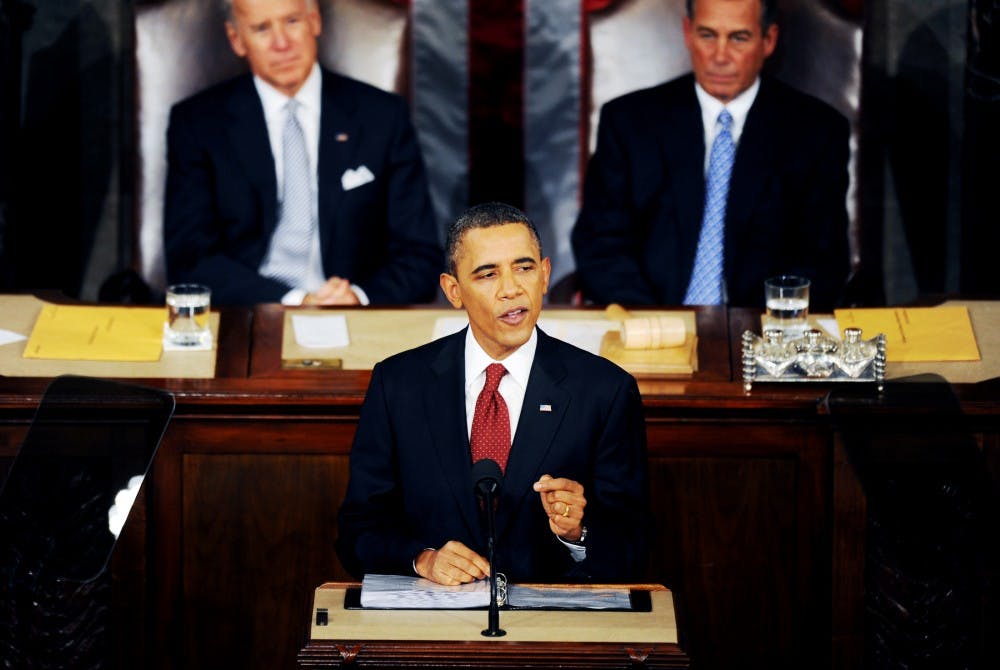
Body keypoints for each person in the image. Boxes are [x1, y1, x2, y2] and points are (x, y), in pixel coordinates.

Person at [336, 202, 650, 584]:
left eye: (524, 268)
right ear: (454, 291)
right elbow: (357, 532)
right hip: (434, 628)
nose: (511, 289)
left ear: (546, 274)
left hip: (548, 630)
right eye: (487, 274)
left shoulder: (605, 391)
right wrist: (422, 560)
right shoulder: (398, 384)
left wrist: (577, 534)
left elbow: (635, 547)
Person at [571, 0, 850, 310]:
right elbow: (601, 244)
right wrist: (653, 323)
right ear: (688, 33)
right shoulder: (627, 123)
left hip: (765, 333)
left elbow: (821, 259)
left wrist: (752, 329)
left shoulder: (817, 132)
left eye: (738, 38)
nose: (719, 56)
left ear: (768, 40)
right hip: (648, 328)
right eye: (707, 35)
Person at [163, 0, 442, 307]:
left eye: (292, 21)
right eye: (261, 28)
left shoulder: (383, 117)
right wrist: (297, 301)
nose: (282, 44)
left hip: (356, 314)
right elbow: (189, 259)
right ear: (236, 40)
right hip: (249, 313)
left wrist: (357, 298)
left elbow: (421, 257)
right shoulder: (198, 123)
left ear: (315, 21)